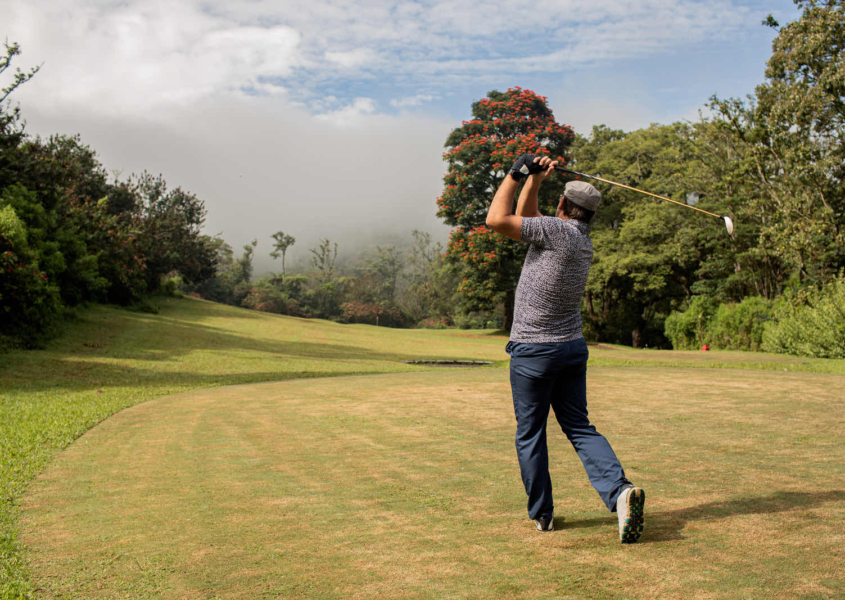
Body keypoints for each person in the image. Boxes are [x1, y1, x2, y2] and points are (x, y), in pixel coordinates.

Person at [485, 153, 645, 543]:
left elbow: (496, 220)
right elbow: (529, 213)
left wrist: (516, 172)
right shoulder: (579, 239)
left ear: (563, 207)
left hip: (535, 352)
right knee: (578, 425)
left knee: (531, 433)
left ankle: (542, 514)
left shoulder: (555, 233)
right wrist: (536, 179)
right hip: (571, 348)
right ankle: (619, 491)